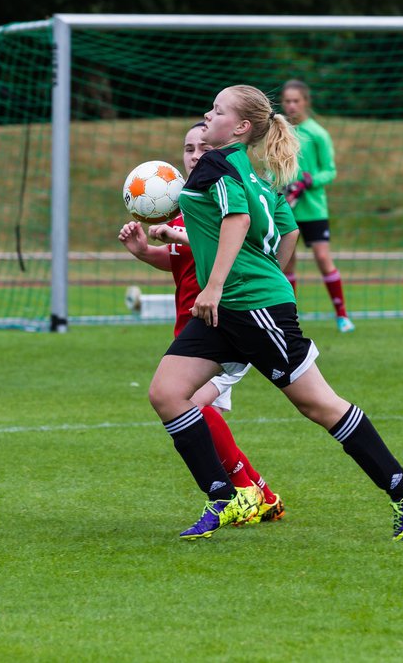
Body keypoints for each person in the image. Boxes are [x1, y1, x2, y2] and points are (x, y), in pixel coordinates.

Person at [148, 84, 403, 540]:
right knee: (166, 392)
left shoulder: (220, 164)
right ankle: (222, 497)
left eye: (217, 111)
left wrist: (218, 286)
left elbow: (237, 223)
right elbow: (276, 234)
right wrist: (193, 248)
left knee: (319, 405)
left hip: (250, 308)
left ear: (240, 127)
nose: (207, 115)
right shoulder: (244, 169)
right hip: (234, 308)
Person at [119, 122, 286, 525]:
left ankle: (244, 492)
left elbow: (233, 241)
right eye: (188, 148)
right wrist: (145, 252)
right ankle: (261, 494)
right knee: (199, 413)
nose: (195, 155)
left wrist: (177, 236)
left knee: (190, 405)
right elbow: (179, 261)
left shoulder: (218, 196)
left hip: (228, 324)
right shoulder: (190, 201)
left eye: (202, 147)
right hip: (195, 329)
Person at [279, 80, 354, 333]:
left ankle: (342, 315)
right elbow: (272, 165)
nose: (291, 106)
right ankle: (289, 318)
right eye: (287, 101)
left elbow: (329, 171)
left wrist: (309, 181)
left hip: (313, 209)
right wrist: (280, 186)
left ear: (306, 102)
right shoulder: (280, 133)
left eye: (296, 101)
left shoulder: (318, 133)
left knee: (323, 258)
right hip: (286, 208)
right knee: (286, 263)